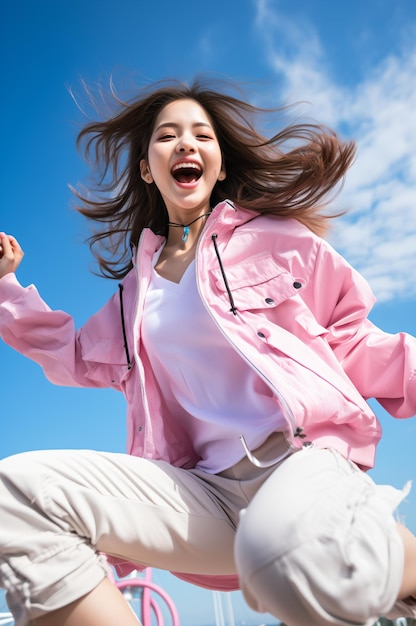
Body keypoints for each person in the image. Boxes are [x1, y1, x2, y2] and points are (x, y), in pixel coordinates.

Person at [0, 76, 415, 626]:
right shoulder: (135, 296)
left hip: (300, 464)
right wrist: (6, 286)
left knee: (281, 555)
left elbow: (349, 340)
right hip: (207, 495)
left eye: (203, 135)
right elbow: (74, 356)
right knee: (16, 500)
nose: (186, 144)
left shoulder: (276, 238)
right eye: (167, 136)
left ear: (219, 164)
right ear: (149, 169)